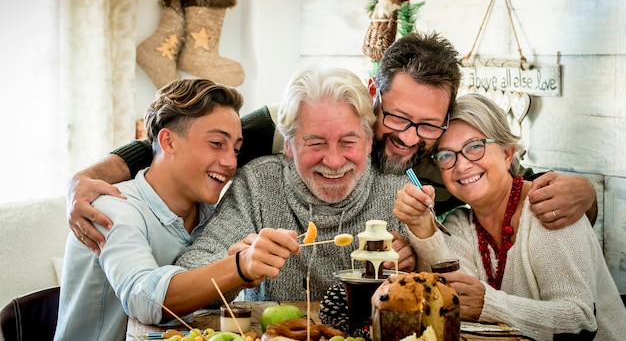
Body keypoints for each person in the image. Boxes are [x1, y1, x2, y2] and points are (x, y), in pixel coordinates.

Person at [67, 31, 597, 256]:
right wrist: (87, 178)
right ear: (374, 99)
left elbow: (511, 179)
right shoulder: (287, 125)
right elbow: (181, 140)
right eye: (397, 119)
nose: (409, 138)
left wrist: (587, 195)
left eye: (427, 126)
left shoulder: (445, 149)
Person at [54, 79, 299, 340]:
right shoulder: (113, 209)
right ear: (168, 142)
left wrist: (236, 270)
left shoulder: (209, 212)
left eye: (237, 149)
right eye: (216, 143)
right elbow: (144, 301)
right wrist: (238, 266)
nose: (230, 162)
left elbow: (302, 122)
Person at [393, 93, 626, 340]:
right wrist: (421, 227)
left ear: (507, 154)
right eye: (447, 155)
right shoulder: (460, 225)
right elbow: (453, 302)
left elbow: (579, 321)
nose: (461, 166)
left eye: (475, 146)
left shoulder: (550, 207)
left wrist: (490, 304)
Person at [174, 67, 413, 303]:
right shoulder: (258, 185)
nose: (333, 160)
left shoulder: (398, 190)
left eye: (348, 142)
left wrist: (414, 264)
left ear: (369, 142)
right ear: (289, 145)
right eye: (315, 143)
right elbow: (188, 272)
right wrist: (238, 268)